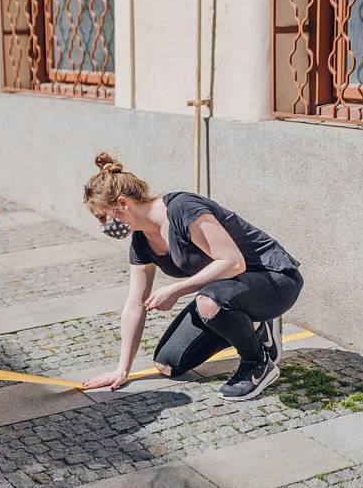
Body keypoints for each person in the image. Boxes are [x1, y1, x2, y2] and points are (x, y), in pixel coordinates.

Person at [81, 153, 303, 401]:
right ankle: (256, 326)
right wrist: (121, 369)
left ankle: (258, 364)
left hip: (274, 280)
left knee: (209, 301)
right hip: (229, 292)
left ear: (122, 203)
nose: (103, 226)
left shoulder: (182, 208)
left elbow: (233, 262)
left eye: (102, 217)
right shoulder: (142, 241)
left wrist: (176, 290)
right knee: (168, 364)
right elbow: (135, 305)